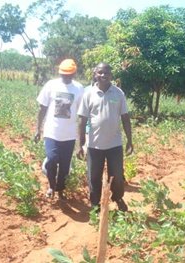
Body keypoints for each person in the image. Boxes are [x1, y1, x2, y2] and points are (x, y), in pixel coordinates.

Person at [77, 62, 133, 212]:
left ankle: (118, 198)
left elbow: (125, 117)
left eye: (106, 73)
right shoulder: (88, 93)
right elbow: (82, 120)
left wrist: (130, 140)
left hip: (114, 144)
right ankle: (95, 205)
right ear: (95, 74)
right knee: (93, 177)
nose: (103, 75)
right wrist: (80, 144)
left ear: (111, 75)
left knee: (117, 175)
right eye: (100, 72)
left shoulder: (118, 93)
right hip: (94, 144)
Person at [34, 59, 84, 200]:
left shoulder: (79, 88)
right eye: (63, 74)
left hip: (69, 134)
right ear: (59, 73)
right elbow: (42, 108)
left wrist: (82, 138)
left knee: (64, 165)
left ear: (74, 73)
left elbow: (81, 113)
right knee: (52, 159)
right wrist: (38, 129)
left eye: (69, 74)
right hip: (52, 132)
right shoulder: (51, 85)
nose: (66, 77)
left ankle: (60, 190)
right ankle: (51, 185)